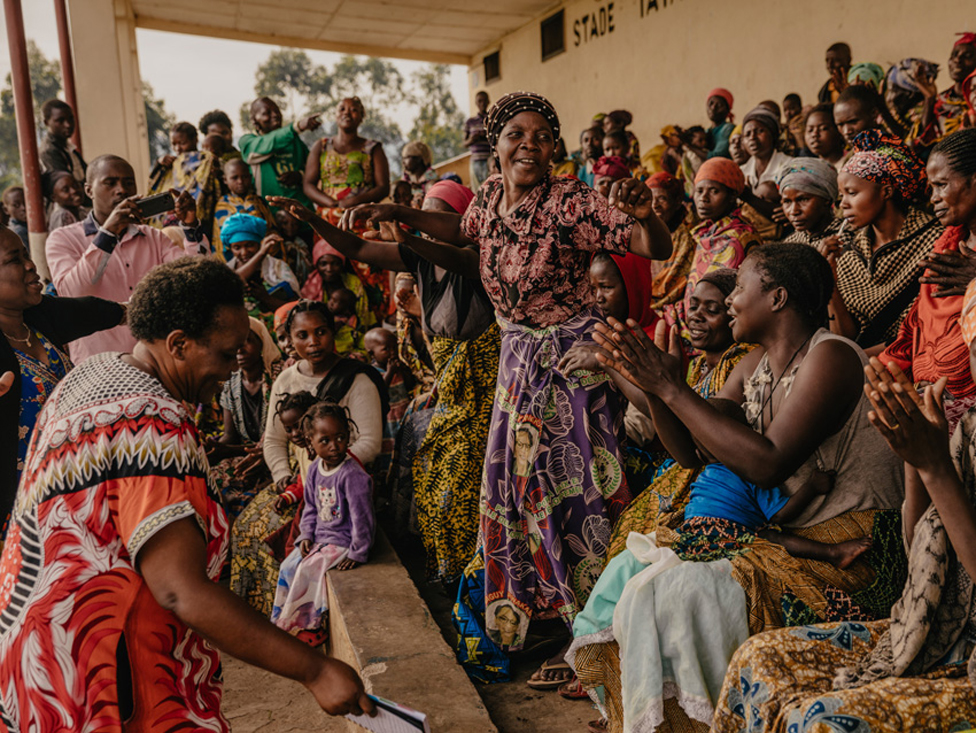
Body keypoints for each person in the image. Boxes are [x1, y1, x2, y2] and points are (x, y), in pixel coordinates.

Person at [340, 91, 673, 687]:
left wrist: (647, 213)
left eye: (542, 136)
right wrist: (406, 214)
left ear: (555, 147)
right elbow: (468, 230)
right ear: (495, 144)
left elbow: (653, 246)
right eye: (516, 134)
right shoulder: (491, 193)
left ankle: (600, 639)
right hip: (517, 364)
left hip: (569, 365)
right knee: (513, 495)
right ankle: (541, 619)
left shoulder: (570, 201)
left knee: (577, 500)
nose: (530, 145)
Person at [0, 257, 373, 729]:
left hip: (36, 660)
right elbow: (179, 590)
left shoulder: (88, 375)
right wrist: (315, 670)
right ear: (177, 344)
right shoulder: (152, 423)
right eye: (224, 354)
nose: (230, 371)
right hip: (98, 680)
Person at [572, 243, 905, 733]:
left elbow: (766, 465)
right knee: (633, 572)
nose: (730, 301)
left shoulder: (832, 356)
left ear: (777, 298)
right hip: (790, 529)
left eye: (741, 287)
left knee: (678, 593)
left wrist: (669, 390)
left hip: (849, 542)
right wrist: (659, 385)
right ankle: (657, 718)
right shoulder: (755, 365)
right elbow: (692, 452)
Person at [712, 352, 976, 733]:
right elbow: (924, 551)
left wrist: (935, 468)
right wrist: (916, 459)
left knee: (821, 720)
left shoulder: (829, 357)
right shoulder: (970, 429)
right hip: (930, 628)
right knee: (759, 658)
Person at [272, 179, 499, 585]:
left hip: (490, 400)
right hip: (455, 400)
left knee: (453, 475)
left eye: (438, 215)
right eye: (424, 213)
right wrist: (312, 219)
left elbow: (419, 247)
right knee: (426, 468)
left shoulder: (476, 258)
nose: (429, 224)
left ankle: (479, 578)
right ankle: (451, 578)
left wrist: (401, 219)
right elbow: (358, 249)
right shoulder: (421, 262)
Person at [0, 228, 123, 528]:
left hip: (74, 490)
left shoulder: (39, 317)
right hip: (18, 510)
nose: (31, 265)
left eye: (27, 254)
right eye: (15, 259)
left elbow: (96, 311)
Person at [46, 154, 208, 364]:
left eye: (128, 183)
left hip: (156, 365)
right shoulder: (63, 239)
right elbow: (73, 292)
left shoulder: (153, 237)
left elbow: (197, 280)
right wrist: (108, 233)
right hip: (99, 368)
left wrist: (190, 226)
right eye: (110, 183)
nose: (121, 190)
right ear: (89, 190)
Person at [881, 128, 976, 432]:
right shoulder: (947, 245)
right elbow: (917, 325)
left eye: (941, 185)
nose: (933, 198)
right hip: (928, 395)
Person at [821, 131, 942, 352]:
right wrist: (830, 280)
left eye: (852, 193)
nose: (843, 205)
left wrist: (856, 360)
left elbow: (924, 331)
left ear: (886, 191)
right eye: (841, 196)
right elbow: (845, 338)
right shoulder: (849, 253)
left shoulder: (934, 239)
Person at [271, 400, 375, 638]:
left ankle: (311, 627)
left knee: (310, 568)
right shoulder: (317, 468)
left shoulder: (352, 476)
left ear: (348, 436)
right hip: (320, 537)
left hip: (342, 541)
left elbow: (363, 518)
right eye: (325, 440)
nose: (334, 446)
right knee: (289, 565)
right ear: (311, 442)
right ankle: (284, 622)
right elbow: (310, 507)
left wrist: (358, 552)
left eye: (340, 437)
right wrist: (306, 534)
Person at [230, 389, 318, 616]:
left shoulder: (321, 449)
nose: (295, 433)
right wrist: (287, 495)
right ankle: (262, 608)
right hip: (306, 508)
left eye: (299, 425)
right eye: (288, 429)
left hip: (318, 513)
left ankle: (291, 611)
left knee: (289, 551)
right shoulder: (302, 449)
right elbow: (302, 480)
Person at [303, 97, 391, 316]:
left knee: (369, 270)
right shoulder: (321, 146)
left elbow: (383, 187)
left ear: (361, 116)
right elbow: (308, 184)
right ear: (335, 114)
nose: (347, 113)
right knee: (330, 271)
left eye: (354, 110)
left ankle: (373, 320)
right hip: (327, 218)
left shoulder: (373, 148)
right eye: (342, 109)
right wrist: (331, 203)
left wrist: (354, 202)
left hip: (361, 218)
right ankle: (329, 319)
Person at [662, 158, 761, 346]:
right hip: (697, 324)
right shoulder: (707, 233)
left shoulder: (737, 239)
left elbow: (718, 303)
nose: (703, 198)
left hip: (718, 334)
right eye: (699, 191)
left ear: (732, 196)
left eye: (714, 191)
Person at [208, 316, 282, 520]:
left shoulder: (279, 377)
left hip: (278, 454)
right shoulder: (231, 383)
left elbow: (281, 439)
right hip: (250, 454)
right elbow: (229, 437)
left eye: (247, 340)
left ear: (262, 343)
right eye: (235, 342)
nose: (239, 348)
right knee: (209, 479)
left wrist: (227, 451)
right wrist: (215, 450)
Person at [240, 97, 321, 206]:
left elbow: (313, 169)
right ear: (254, 120)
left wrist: (300, 176)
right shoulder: (248, 142)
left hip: (301, 208)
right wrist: (296, 127)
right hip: (270, 212)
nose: (275, 115)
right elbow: (267, 144)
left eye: (277, 111)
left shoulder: (294, 141)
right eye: (266, 113)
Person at [147, 121, 222, 235]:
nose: (178, 148)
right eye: (174, 144)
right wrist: (159, 163)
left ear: (195, 140)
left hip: (198, 224)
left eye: (182, 143)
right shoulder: (170, 164)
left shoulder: (205, 161)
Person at [221, 213, 300, 320]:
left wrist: (265, 298)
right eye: (237, 247)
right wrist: (261, 253)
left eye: (250, 245)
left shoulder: (277, 267)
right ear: (230, 248)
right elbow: (232, 281)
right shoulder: (225, 271)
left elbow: (296, 307)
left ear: (259, 244)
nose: (244, 252)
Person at [643, 172, 697, 313]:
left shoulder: (687, 237)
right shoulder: (642, 233)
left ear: (677, 201)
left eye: (662, 198)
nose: (655, 205)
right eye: (650, 199)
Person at [912, 33, 976, 150]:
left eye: (967, 56)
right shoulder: (941, 101)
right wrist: (929, 99)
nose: (957, 60)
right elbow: (919, 147)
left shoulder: (974, 103)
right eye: (954, 55)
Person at [301, 237, 374, 330]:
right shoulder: (310, 286)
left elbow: (363, 313)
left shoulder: (353, 282)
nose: (329, 269)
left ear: (342, 264)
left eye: (335, 263)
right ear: (316, 264)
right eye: (323, 264)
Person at [212, 157, 277, 258]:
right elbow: (219, 241)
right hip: (234, 261)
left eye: (245, 177)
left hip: (263, 257)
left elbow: (271, 229)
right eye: (234, 178)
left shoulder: (259, 202)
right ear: (225, 180)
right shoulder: (222, 205)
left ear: (250, 177)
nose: (240, 181)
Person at [779, 157, 844, 247]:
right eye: (787, 202)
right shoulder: (792, 242)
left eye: (803, 200)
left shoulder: (843, 240)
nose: (794, 211)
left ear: (826, 200)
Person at [38, 99, 87, 194]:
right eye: (60, 121)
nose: (68, 125)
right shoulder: (49, 151)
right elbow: (67, 187)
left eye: (71, 119)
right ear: (46, 123)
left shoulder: (68, 147)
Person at [834, 83, 907, 145]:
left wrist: (883, 110)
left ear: (874, 113)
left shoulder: (889, 148)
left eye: (853, 121)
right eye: (840, 125)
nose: (846, 131)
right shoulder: (850, 158)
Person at [804, 103, 847, 168]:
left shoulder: (851, 165)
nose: (814, 134)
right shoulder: (808, 168)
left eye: (823, 128)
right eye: (810, 130)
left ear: (839, 130)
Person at [464, 91, 491, 192]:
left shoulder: (492, 119)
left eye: (484, 101)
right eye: (479, 101)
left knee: (489, 188)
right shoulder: (470, 122)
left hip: (489, 160)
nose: (482, 103)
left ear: (488, 101)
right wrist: (472, 139)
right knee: (477, 190)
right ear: (476, 103)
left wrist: (486, 136)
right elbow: (464, 143)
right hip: (475, 161)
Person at [706, 88, 736, 160]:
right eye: (711, 103)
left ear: (727, 110)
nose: (713, 107)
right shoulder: (706, 131)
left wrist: (690, 147)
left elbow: (717, 156)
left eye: (719, 105)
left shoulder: (728, 128)